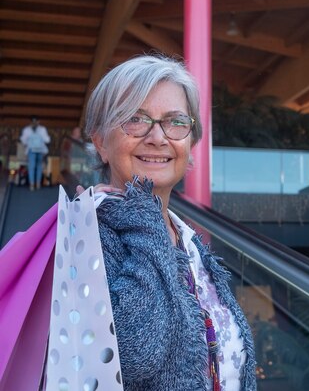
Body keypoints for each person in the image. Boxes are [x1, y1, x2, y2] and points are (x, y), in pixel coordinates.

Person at [82, 55, 256, 390]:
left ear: (190, 142)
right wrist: (145, 221)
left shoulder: (187, 238)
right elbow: (131, 358)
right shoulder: (87, 237)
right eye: (135, 119)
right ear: (100, 142)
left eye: (175, 122)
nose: (158, 137)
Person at [19, 115, 50, 190]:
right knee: (38, 166)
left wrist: (29, 141)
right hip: (39, 149)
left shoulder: (27, 130)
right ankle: (37, 183)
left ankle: (32, 184)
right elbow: (47, 140)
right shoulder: (42, 129)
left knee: (32, 166)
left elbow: (23, 140)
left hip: (32, 150)